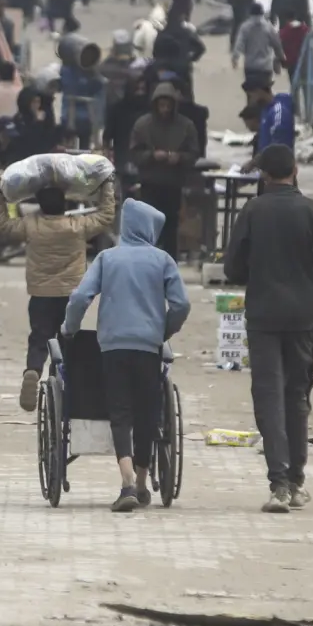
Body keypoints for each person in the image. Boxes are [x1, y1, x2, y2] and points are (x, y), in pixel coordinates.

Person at [225, 144, 313, 513]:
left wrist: (259, 273)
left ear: (262, 175)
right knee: (297, 396)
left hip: (263, 316)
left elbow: (232, 268)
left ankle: (278, 483)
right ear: (295, 170)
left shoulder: (252, 210)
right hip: (302, 316)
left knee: (268, 397)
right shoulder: (311, 210)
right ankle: (296, 480)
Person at [63, 199, 191, 511]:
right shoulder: (162, 260)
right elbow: (181, 304)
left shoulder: (108, 258)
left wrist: (70, 328)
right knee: (147, 412)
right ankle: (143, 482)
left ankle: (126, 482)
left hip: (112, 346)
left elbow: (81, 296)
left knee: (119, 411)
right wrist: (164, 332)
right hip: (148, 346)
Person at [0, 180, 117, 411]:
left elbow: (3, 224)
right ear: (64, 203)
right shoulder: (78, 225)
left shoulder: (30, 225)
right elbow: (106, 215)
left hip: (40, 292)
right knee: (68, 338)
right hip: (71, 294)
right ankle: (67, 380)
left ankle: (33, 369)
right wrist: (106, 188)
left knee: (39, 336)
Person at [127, 82, 200, 258]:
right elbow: (134, 154)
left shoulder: (185, 126)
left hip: (173, 183)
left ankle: (169, 262)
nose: (165, 110)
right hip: (150, 182)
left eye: (168, 106)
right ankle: (145, 260)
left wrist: (180, 158)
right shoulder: (143, 125)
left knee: (170, 227)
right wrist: (152, 155)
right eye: (162, 105)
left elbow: (194, 153)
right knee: (148, 226)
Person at [230, 3, 283, 90]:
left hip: (250, 67)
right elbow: (277, 44)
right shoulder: (269, 27)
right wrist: (280, 59)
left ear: (250, 13)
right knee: (266, 94)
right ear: (262, 13)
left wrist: (235, 59)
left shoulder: (245, 27)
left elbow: (239, 44)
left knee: (251, 95)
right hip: (266, 68)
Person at [242, 77, 295, 158]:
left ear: (259, 92)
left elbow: (278, 144)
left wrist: (256, 162)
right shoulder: (265, 111)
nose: (251, 100)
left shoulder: (278, 112)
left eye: (251, 95)